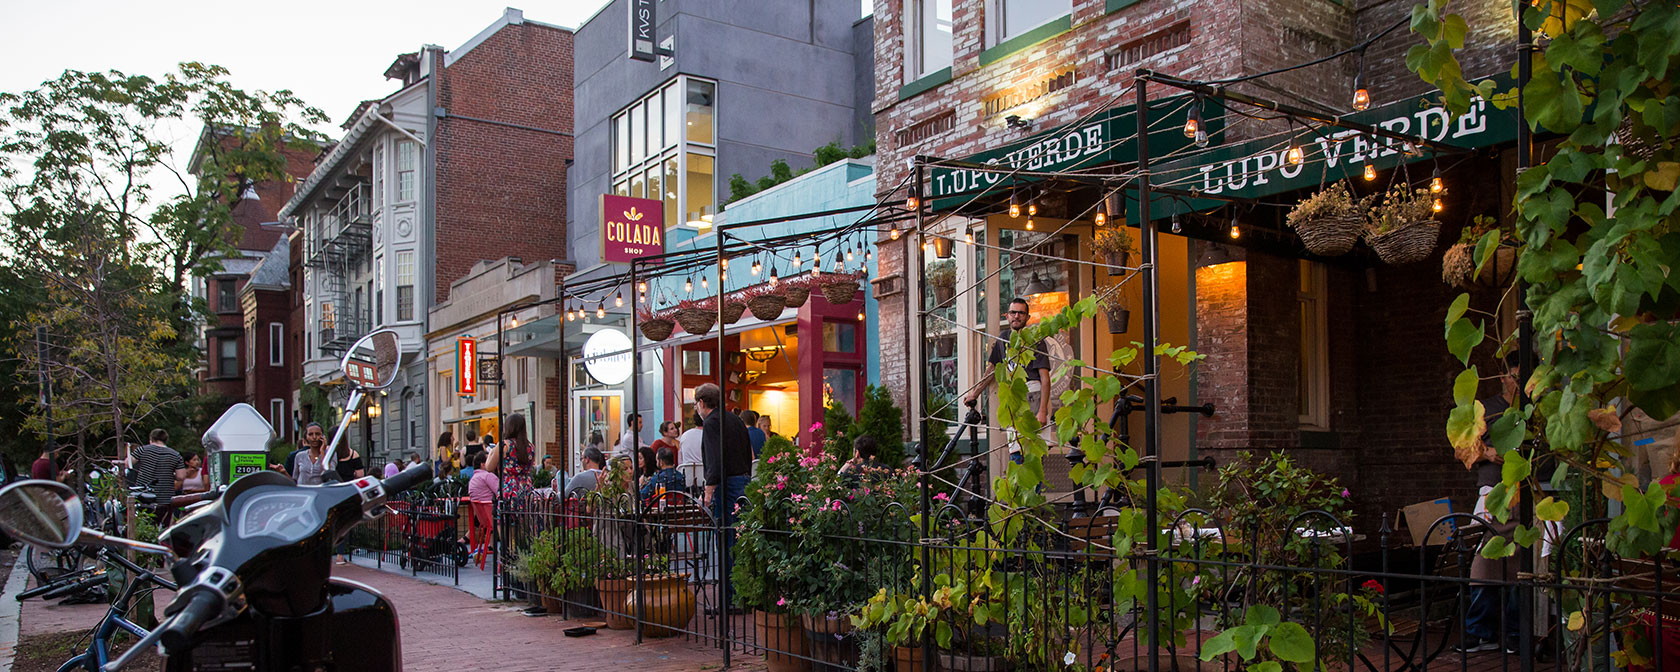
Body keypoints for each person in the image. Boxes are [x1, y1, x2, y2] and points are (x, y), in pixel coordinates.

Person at [1461, 356, 1519, 654]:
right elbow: (1462, 448)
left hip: (1527, 491)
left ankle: (1513, 633)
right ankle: (1479, 630)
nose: (1518, 384)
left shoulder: (1532, 412)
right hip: (1494, 490)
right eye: (1514, 376)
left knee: (1520, 563)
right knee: (1484, 560)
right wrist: (1487, 452)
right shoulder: (1487, 408)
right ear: (1502, 377)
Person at [962, 297, 1052, 464]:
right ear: (1007, 316)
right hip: (1013, 400)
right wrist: (974, 393)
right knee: (1016, 452)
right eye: (1013, 312)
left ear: (1027, 317)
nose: (1016, 316)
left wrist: (1042, 410)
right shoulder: (1004, 339)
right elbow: (992, 370)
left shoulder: (1035, 339)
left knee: (1032, 455)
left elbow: (1045, 378)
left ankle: (1033, 490)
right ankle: (1020, 489)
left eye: (1021, 313)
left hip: (1033, 395)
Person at [697, 382, 752, 609]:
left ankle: (731, 599)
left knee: (726, 539)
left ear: (701, 403)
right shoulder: (735, 419)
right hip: (742, 481)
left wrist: (708, 492)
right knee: (739, 540)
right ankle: (742, 595)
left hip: (726, 484)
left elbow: (715, 459)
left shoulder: (711, 423)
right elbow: (748, 453)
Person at [132, 429, 185, 524]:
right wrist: (169, 474)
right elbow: (181, 476)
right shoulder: (175, 455)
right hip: (165, 496)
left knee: (143, 522)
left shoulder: (142, 450)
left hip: (143, 494)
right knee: (162, 523)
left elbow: (129, 463)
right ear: (166, 440)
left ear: (151, 439)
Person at [488, 413, 535, 499]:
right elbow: (531, 466)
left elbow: (489, 467)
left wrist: (491, 452)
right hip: (526, 488)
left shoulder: (504, 445)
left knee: (509, 512)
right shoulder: (530, 447)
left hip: (509, 489)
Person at [465, 451, 498, 569]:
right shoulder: (487, 476)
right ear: (483, 464)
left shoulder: (473, 478)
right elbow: (501, 492)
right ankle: (513, 551)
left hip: (484, 520)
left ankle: (491, 546)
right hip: (494, 519)